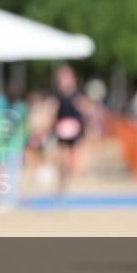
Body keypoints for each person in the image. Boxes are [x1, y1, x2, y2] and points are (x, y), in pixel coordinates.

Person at [49, 65, 89, 194]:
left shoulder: (77, 94)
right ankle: (62, 183)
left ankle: (75, 184)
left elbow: (85, 109)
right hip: (62, 129)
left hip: (75, 129)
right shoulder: (57, 95)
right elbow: (52, 111)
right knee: (63, 158)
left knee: (75, 159)